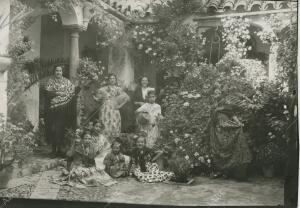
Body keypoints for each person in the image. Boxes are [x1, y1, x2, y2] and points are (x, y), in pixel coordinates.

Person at [209, 97, 252, 180]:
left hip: (227, 132)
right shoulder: (215, 110)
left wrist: (238, 123)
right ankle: (223, 172)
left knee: (229, 149)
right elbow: (213, 122)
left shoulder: (227, 109)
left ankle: (228, 172)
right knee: (220, 150)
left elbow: (233, 115)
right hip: (218, 133)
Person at [44, 65, 75, 157]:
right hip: (53, 109)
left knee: (61, 129)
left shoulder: (67, 82)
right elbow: (47, 93)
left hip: (64, 109)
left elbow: (72, 93)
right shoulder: (50, 81)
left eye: (60, 71)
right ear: (54, 72)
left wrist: (64, 95)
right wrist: (57, 93)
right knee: (53, 129)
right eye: (56, 70)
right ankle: (53, 150)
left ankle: (60, 150)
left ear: (62, 72)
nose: (58, 72)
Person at [93, 73, 129, 139]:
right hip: (105, 109)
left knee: (114, 124)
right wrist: (96, 98)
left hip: (114, 109)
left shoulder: (118, 89)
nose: (112, 80)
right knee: (105, 124)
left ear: (115, 80)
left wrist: (120, 106)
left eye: (113, 78)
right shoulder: (103, 89)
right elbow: (99, 99)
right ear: (108, 80)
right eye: (110, 78)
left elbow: (126, 98)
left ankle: (113, 143)